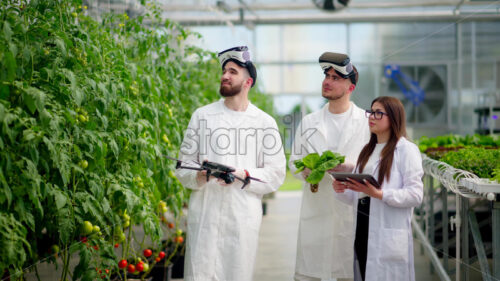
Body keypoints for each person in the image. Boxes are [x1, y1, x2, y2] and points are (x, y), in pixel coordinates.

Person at [175, 46, 286, 281]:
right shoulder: (202, 116)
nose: (225, 75)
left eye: (233, 71)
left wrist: (242, 173)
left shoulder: (264, 123)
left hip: (241, 215)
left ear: (248, 82)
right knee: (200, 273)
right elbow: (183, 165)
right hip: (205, 213)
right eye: (224, 70)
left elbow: (276, 174)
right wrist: (201, 175)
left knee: (235, 273)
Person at [289, 52, 371, 281]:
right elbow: (294, 161)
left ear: (350, 88)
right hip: (317, 207)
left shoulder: (366, 121)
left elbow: (376, 165)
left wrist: (352, 167)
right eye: (327, 75)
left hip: (352, 211)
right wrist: (304, 171)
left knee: (348, 272)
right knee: (311, 272)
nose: (328, 81)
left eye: (336, 78)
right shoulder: (309, 122)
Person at [332, 96, 424, 281]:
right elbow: (355, 197)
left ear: (394, 118)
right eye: (371, 112)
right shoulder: (366, 150)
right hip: (363, 228)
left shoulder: (406, 150)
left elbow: (415, 195)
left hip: (388, 232)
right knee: (364, 273)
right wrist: (341, 188)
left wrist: (380, 194)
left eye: (378, 113)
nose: (371, 117)